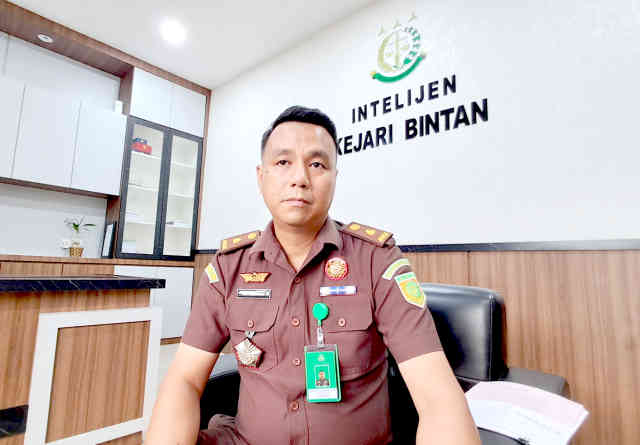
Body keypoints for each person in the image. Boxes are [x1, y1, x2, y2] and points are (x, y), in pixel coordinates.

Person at [145, 106, 481, 445]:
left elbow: (438, 399)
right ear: (261, 176)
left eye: (317, 164)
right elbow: (184, 379)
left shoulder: (377, 261)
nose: (300, 178)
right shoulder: (228, 269)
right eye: (283, 162)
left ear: (335, 176)